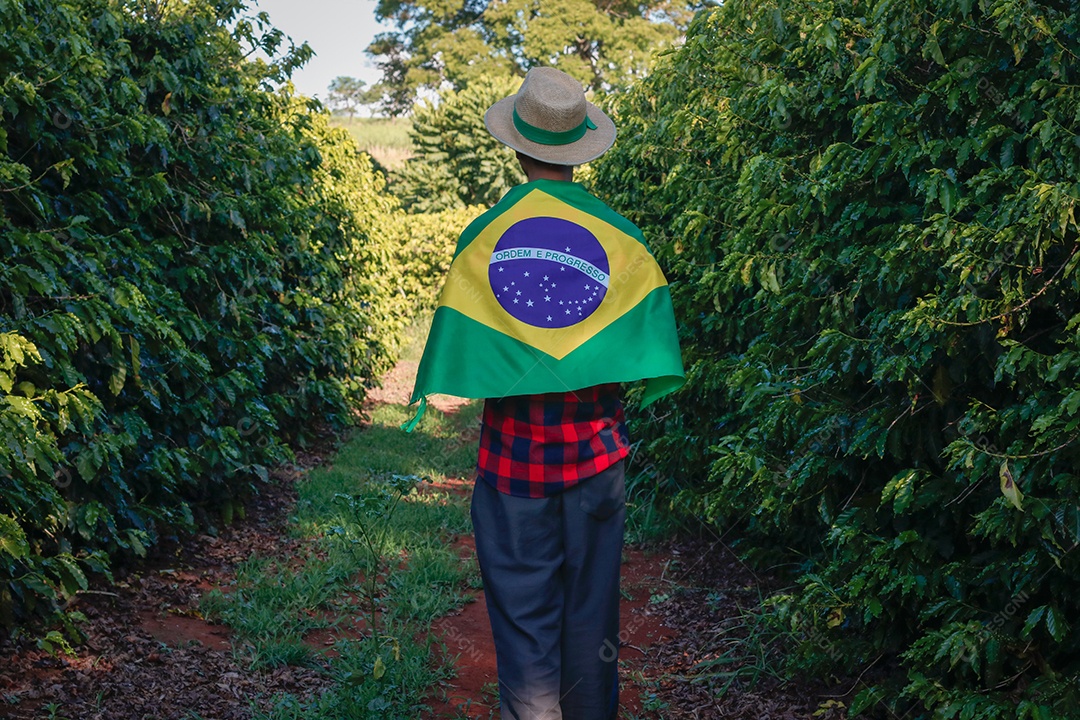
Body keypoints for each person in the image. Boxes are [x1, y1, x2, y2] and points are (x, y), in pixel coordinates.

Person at [406, 66, 684, 719]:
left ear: (518, 146)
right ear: (579, 147)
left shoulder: (484, 239)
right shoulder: (625, 244)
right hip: (597, 469)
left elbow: (464, 341)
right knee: (592, 627)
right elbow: (642, 339)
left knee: (526, 635)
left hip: (512, 472)